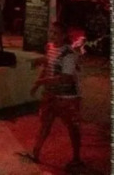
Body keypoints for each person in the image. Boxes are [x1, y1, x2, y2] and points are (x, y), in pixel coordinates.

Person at [21, 22, 83, 171]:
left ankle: (76, 158)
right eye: (51, 32)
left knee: (72, 127)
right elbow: (47, 67)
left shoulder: (69, 54)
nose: (52, 35)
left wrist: (42, 82)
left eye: (56, 33)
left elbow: (66, 78)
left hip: (67, 97)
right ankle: (35, 153)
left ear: (64, 35)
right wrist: (37, 84)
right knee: (45, 124)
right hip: (52, 94)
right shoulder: (50, 47)